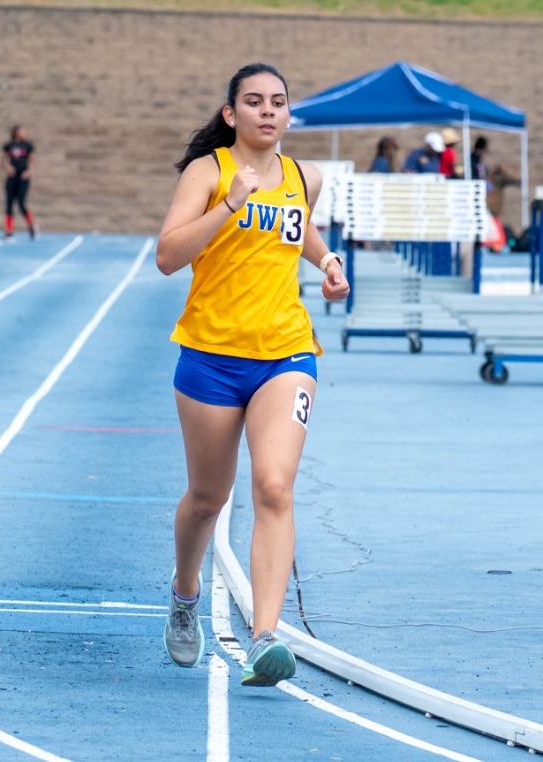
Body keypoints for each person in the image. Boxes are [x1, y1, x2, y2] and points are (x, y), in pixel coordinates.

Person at [156, 62, 349, 688]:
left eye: (279, 102)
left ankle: (266, 636)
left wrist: (326, 260)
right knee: (208, 499)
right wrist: (229, 207)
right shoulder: (207, 173)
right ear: (232, 115)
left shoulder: (304, 176)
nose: (269, 111)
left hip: (286, 352)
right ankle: (186, 596)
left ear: (289, 114)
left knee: (274, 486)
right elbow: (167, 256)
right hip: (210, 355)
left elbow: (299, 229)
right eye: (255, 102)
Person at [1, 125, 37, 240]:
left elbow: (32, 160)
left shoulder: (28, 145)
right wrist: (8, 167)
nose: (23, 133)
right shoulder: (9, 145)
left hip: (23, 177)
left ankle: (31, 225)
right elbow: (3, 159)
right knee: (9, 204)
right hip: (12, 177)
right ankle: (9, 230)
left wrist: (29, 171)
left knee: (21, 203)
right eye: (21, 131)